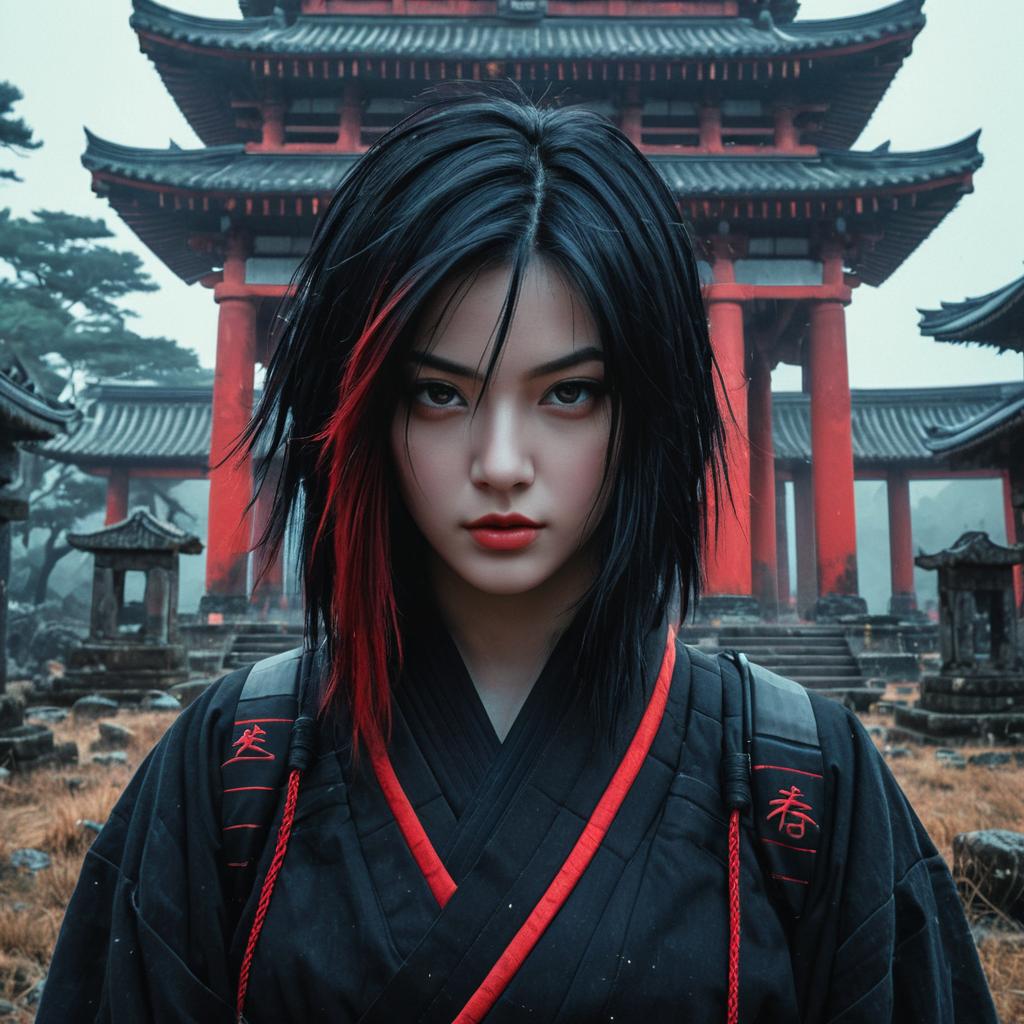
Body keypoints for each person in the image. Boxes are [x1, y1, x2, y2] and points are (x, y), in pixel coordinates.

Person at [37, 89, 996, 1024]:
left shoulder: (802, 778)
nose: (500, 464)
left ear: (647, 411)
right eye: (439, 395)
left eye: (569, 394)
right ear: (360, 412)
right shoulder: (233, 768)